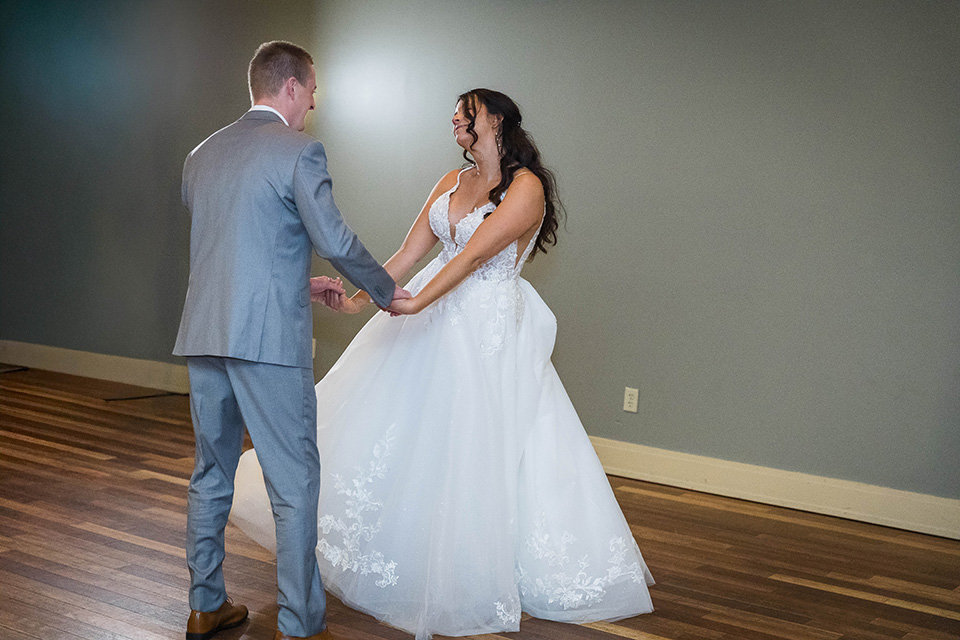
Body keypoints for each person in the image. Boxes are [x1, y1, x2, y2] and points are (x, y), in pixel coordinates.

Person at [231, 88, 654, 640]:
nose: (455, 120)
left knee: (472, 446)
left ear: (495, 121)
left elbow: (477, 253)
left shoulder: (527, 189)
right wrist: (363, 299)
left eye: (466, 112)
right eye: (454, 114)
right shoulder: (449, 182)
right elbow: (409, 255)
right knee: (402, 434)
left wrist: (417, 301)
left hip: (484, 328)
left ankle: (471, 570)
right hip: (431, 308)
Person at [174, 41, 407, 640]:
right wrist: (386, 292)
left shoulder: (201, 155)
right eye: (311, 94)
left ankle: (204, 606)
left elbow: (231, 249)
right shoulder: (300, 152)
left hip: (204, 335)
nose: (311, 108)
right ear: (294, 87)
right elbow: (336, 237)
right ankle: (300, 624)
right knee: (294, 481)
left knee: (210, 473)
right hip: (268, 345)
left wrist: (300, 285)